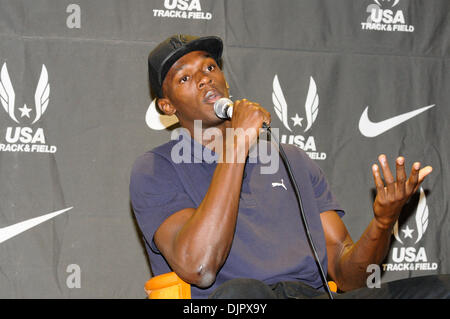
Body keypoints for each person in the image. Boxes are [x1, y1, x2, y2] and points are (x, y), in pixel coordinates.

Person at [130, 34, 449, 299]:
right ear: (167, 105)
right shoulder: (156, 169)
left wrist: (383, 221)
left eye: (210, 67)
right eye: (185, 77)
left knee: (438, 290)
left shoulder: (291, 159)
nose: (204, 79)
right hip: (237, 302)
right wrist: (237, 145)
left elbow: (348, 276)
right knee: (244, 293)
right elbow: (200, 266)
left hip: (309, 295)